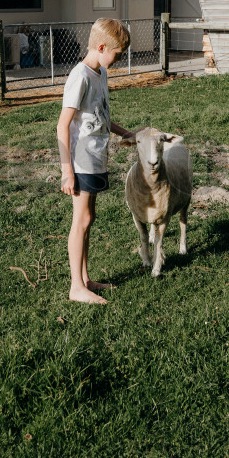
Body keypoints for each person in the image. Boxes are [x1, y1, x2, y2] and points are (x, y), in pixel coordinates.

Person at [57, 18, 135, 304]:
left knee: (90, 217)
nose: (118, 59)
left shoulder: (100, 72)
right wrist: (67, 172)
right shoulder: (80, 77)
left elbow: (101, 116)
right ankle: (76, 287)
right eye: (117, 53)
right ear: (102, 47)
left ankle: (85, 278)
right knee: (81, 220)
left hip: (96, 158)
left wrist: (126, 133)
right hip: (80, 161)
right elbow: (62, 125)